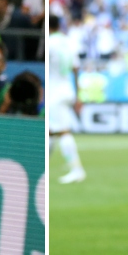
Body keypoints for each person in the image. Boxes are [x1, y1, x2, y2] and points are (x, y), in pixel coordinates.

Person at [48, 15, 86, 183]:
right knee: (49, 132)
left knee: (63, 132)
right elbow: (76, 69)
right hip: (67, 89)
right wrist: (78, 95)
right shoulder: (69, 41)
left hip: (54, 92)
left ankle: (77, 170)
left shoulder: (49, 43)